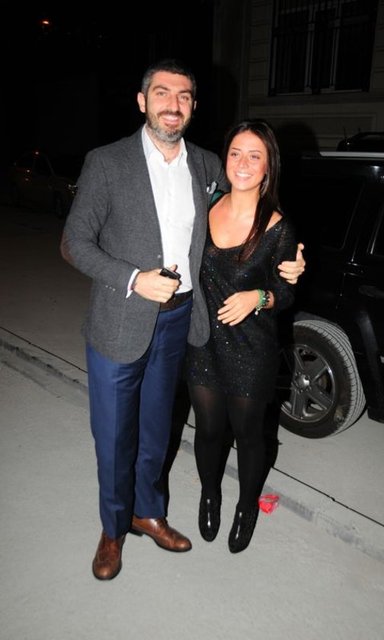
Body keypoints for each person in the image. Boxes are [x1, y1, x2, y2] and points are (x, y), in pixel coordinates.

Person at [61, 59, 305, 581]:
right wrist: (133, 278)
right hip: (119, 321)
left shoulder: (206, 165)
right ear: (142, 101)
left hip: (181, 323)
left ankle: (148, 512)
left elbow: (251, 204)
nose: (173, 105)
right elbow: (74, 243)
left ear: (193, 107)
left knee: (157, 429)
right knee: (115, 436)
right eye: (162, 93)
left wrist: (292, 257)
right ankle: (113, 528)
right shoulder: (107, 162)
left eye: (184, 96)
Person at [186, 120, 298, 553]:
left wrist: (259, 296)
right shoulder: (206, 206)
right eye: (236, 153)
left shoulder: (278, 227)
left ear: (268, 166)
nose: (243, 163)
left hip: (252, 348)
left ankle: (246, 506)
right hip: (203, 343)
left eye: (255, 155)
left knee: (249, 433)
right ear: (225, 159)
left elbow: (287, 292)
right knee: (209, 429)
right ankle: (209, 494)